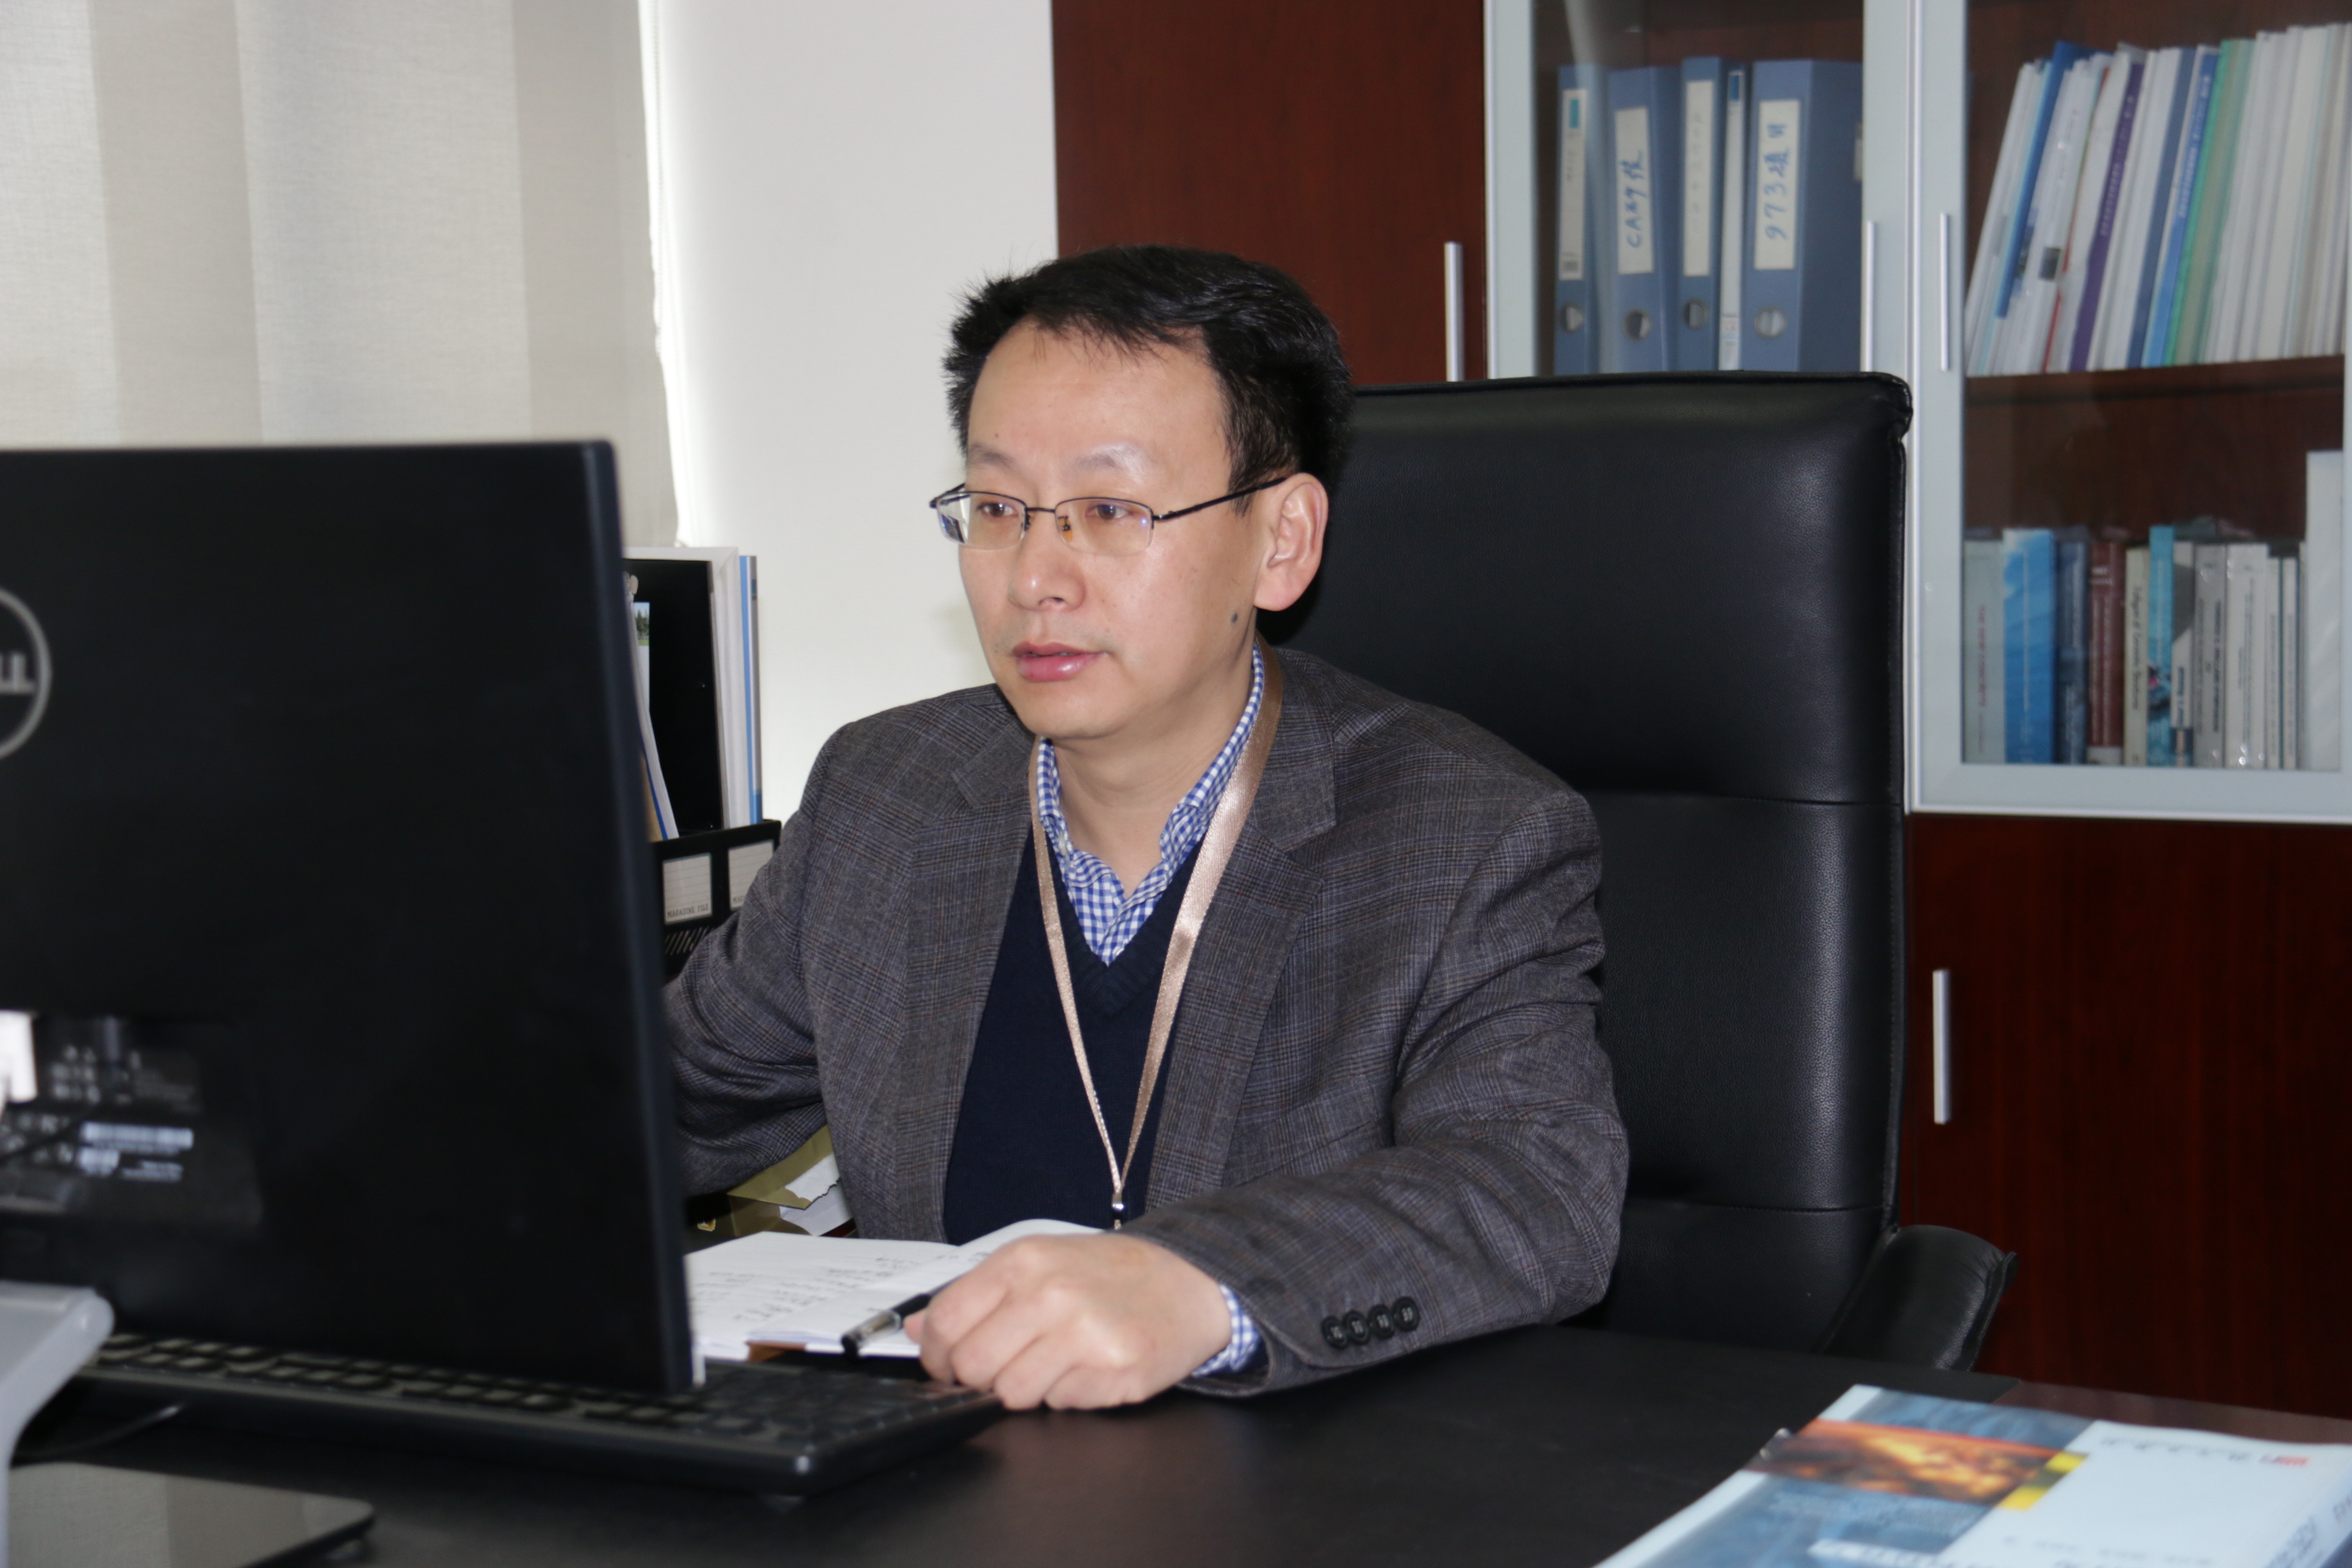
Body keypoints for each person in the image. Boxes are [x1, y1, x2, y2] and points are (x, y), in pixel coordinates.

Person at [667, 245, 1625, 1410]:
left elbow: (1534, 1191)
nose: (1036, 576)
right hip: (935, 1473)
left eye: (1111, 510)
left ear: (1282, 541)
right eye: (998, 508)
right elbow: (664, 1099)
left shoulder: (1466, 835)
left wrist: (1202, 1284)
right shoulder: (888, 796)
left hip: (1291, 1484)